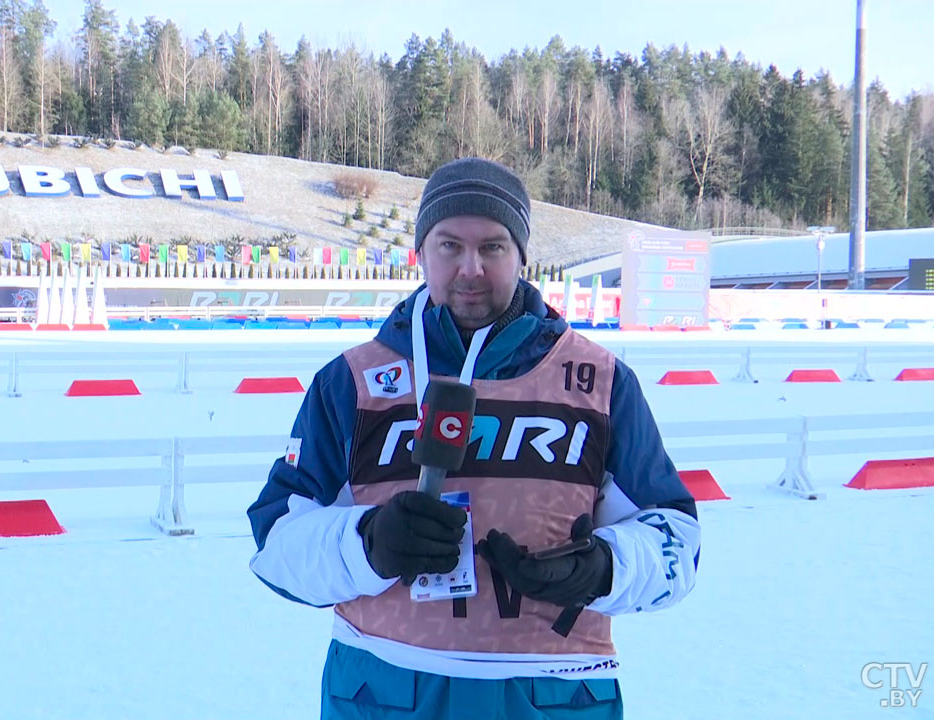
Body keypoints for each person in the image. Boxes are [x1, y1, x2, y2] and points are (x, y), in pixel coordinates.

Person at [247, 157, 700, 720]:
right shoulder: (353, 383)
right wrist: (366, 543)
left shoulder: (600, 383)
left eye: (492, 247)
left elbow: (677, 539)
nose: (471, 269)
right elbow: (275, 543)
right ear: (420, 253)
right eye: (449, 245)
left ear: (521, 257)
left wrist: (605, 568)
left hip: (553, 694)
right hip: (385, 692)